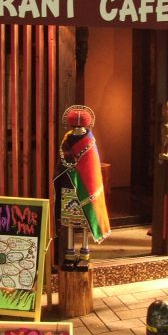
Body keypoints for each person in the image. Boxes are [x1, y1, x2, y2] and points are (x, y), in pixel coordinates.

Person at [54, 105, 110, 272]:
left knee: (85, 221)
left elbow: (91, 168)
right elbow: (62, 161)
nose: (78, 129)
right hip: (69, 185)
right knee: (69, 221)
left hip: (85, 187)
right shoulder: (66, 139)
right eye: (75, 126)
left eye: (80, 126)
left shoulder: (90, 142)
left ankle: (85, 253)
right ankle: (70, 253)